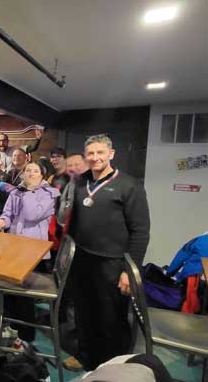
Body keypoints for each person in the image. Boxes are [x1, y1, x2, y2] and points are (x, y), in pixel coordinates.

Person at [63, 134, 150, 372]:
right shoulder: (79, 183)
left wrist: (129, 271)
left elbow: (140, 232)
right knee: (83, 313)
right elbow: (70, 220)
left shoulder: (129, 185)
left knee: (112, 318)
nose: (95, 157)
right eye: (90, 153)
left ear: (111, 154)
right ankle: (85, 356)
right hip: (81, 259)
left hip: (113, 263)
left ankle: (113, 367)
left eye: (100, 152)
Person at [0, 161, 60, 347]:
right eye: (28, 170)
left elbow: (32, 215)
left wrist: (29, 191)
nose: (30, 173)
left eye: (35, 171)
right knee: (11, 291)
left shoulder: (49, 194)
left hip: (33, 250)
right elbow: (8, 214)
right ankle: (15, 326)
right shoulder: (17, 191)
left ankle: (26, 336)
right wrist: (2, 221)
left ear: (42, 175)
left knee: (23, 295)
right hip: (14, 246)